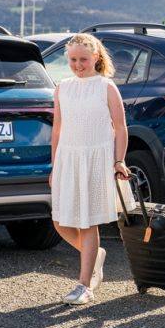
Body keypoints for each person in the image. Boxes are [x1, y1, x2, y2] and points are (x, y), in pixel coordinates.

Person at [50, 33, 130, 305]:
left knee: (87, 222)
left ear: (95, 58)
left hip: (96, 159)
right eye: (73, 59)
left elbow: (120, 128)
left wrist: (119, 160)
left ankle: (84, 285)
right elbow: (57, 130)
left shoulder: (106, 87)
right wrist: (54, 166)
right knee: (59, 221)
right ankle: (94, 255)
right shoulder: (62, 87)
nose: (78, 64)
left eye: (83, 59)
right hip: (68, 159)